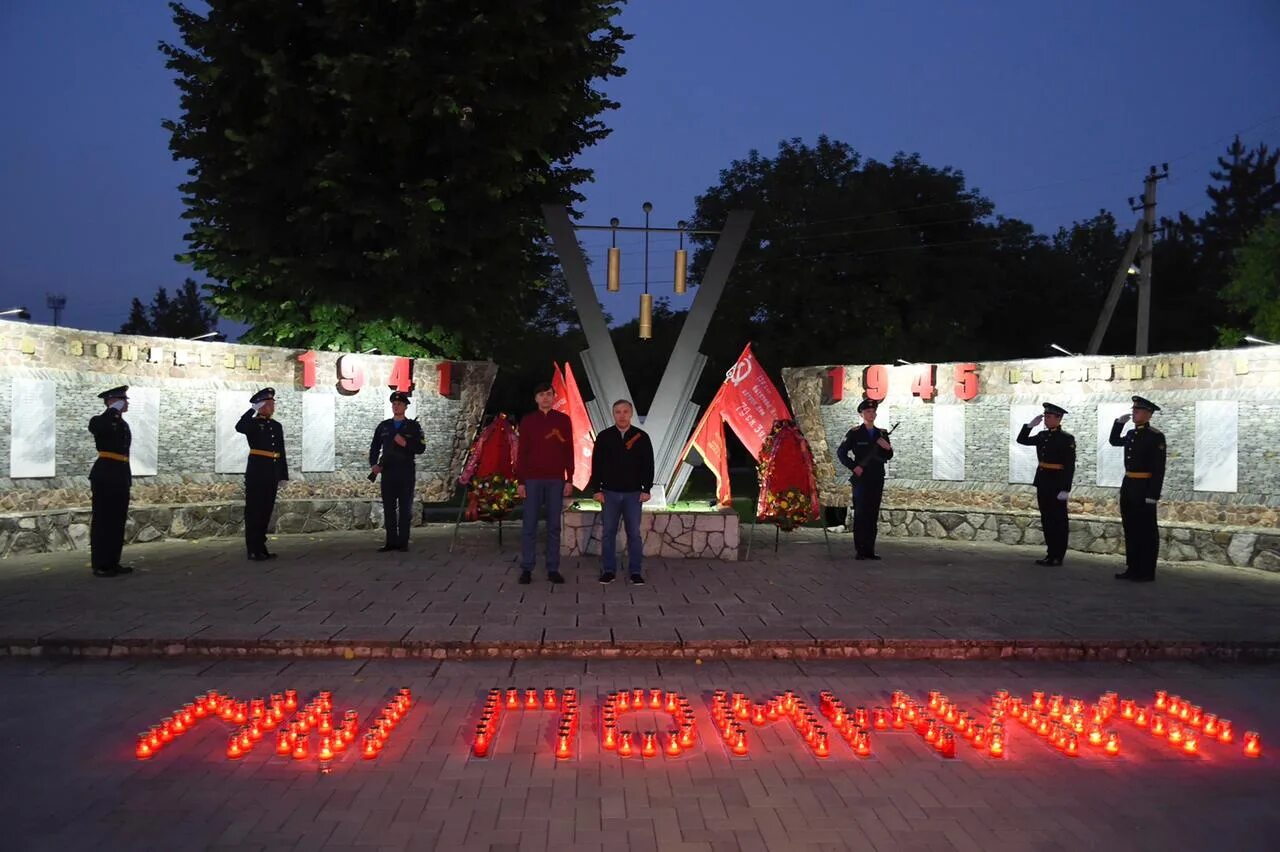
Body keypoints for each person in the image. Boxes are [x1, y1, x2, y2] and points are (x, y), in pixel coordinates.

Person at [590, 399, 655, 585]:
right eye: (618, 412)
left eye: (625, 411)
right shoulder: (604, 437)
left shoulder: (641, 437)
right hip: (609, 493)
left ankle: (635, 571)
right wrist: (597, 490)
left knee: (633, 533)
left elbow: (648, 464)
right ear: (613, 414)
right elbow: (597, 465)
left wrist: (646, 488)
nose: (622, 415)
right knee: (608, 533)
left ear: (631, 413)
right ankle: (609, 570)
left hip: (634, 494)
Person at [515, 381, 574, 584]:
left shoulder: (564, 420)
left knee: (554, 526)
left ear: (554, 396)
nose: (545, 398)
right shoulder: (528, 421)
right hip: (532, 480)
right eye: (541, 395)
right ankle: (527, 568)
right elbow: (521, 453)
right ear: (536, 398)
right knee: (529, 525)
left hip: (556, 480)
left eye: (549, 394)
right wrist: (520, 481)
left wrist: (570, 478)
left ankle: (553, 568)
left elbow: (569, 451)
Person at [1109, 395, 1166, 582]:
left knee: (1147, 531)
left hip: (1144, 488)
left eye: (1138, 410)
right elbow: (1114, 441)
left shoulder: (1155, 436)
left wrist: (1153, 495)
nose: (1134, 413)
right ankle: (1133, 568)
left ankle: (1147, 571)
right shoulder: (1132, 434)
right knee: (1131, 529)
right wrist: (1118, 424)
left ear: (1148, 414)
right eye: (1133, 410)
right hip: (1129, 486)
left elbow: (1158, 469)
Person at [1016, 402, 1077, 566]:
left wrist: (1065, 488)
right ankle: (1050, 554)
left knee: (1059, 521)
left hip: (1057, 484)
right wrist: (1029, 426)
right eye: (1045, 417)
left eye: (1049, 417)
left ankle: (1058, 555)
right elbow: (1022, 440)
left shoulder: (1066, 439)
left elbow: (1069, 466)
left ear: (1058, 418)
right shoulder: (1043, 436)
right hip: (1043, 482)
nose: (1046, 420)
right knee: (1047, 519)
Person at [836, 399, 894, 560]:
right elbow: (841, 453)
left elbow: (888, 455)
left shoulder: (881, 433)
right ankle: (860, 550)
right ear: (862, 414)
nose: (871, 414)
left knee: (872, 513)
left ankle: (870, 550)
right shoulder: (854, 433)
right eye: (868, 412)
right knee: (861, 513)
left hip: (876, 477)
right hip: (861, 478)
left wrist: (887, 447)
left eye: (873, 411)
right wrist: (854, 467)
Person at [368, 391, 426, 552]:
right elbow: (374, 447)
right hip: (388, 472)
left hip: (406, 472)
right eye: (394, 403)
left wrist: (405, 443)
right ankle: (391, 541)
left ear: (406, 407)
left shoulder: (413, 427)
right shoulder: (384, 426)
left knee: (405, 508)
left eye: (399, 404)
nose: (396, 406)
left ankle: (403, 542)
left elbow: (421, 448)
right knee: (389, 508)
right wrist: (374, 464)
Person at [236, 387, 288, 561]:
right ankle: (252, 548)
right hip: (257, 473)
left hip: (271, 473)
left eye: (273, 403)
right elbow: (239, 427)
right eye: (269, 404)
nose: (273, 407)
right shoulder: (252, 424)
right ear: (262, 406)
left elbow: (280, 451)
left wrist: (282, 475)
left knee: (266, 511)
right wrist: (252, 409)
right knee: (254, 511)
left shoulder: (276, 426)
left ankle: (261, 546)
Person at [88, 385, 134, 577]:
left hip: (120, 475)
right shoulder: (100, 420)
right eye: (122, 400)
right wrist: (112, 411)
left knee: (117, 521)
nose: (126, 402)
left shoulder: (122, 424)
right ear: (111, 401)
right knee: (103, 520)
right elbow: (100, 429)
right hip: (106, 475)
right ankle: (100, 564)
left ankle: (113, 562)